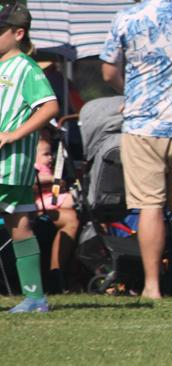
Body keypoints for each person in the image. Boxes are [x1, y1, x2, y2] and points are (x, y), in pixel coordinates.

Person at [100, 0, 172, 299]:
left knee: (150, 204)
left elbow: (108, 72)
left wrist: (132, 92)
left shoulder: (127, 17)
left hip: (143, 125)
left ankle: (152, 285)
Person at [0, 1, 60, 312]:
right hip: (10, 167)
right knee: (19, 225)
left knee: (18, 223)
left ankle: (35, 298)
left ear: (18, 33)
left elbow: (50, 107)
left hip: (9, 163)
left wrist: (13, 134)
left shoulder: (25, 67)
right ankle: (35, 298)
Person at [34, 134, 80, 293]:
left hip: (46, 204)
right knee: (71, 209)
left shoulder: (47, 168)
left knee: (74, 211)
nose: (50, 157)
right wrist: (52, 179)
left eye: (50, 153)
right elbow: (34, 181)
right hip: (35, 207)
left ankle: (63, 276)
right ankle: (56, 275)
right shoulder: (37, 169)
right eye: (45, 154)